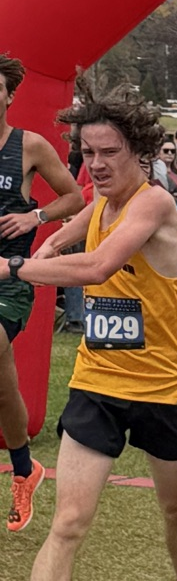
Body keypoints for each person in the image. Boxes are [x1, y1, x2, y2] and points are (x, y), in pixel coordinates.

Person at [8, 80, 177, 580]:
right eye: (88, 152)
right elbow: (68, 233)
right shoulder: (100, 203)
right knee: (67, 524)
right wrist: (46, 248)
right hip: (97, 383)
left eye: (109, 152)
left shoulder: (153, 204)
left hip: (162, 386)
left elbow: (98, 267)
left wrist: (13, 267)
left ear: (139, 152)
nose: (95, 164)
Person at [0, 54, 85, 532]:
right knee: (3, 386)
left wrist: (35, 216)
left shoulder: (28, 145)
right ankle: (23, 469)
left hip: (10, 279)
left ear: (9, 95)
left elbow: (74, 197)